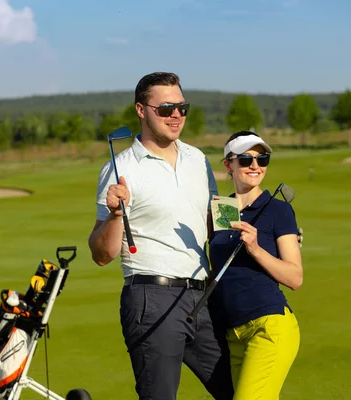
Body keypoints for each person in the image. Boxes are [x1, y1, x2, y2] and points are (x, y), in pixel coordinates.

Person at [88, 72, 233, 400]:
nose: (177, 115)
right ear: (142, 110)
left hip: (204, 295)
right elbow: (101, 254)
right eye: (166, 108)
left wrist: (263, 231)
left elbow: (215, 224)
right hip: (153, 296)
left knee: (240, 390)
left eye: (183, 108)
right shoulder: (121, 168)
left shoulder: (198, 159)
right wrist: (114, 215)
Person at [208, 130, 303, 400]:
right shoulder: (220, 209)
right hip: (232, 334)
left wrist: (256, 248)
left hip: (269, 326)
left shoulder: (278, 210)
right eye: (246, 159)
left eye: (262, 160)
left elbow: (295, 277)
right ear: (229, 164)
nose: (255, 166)